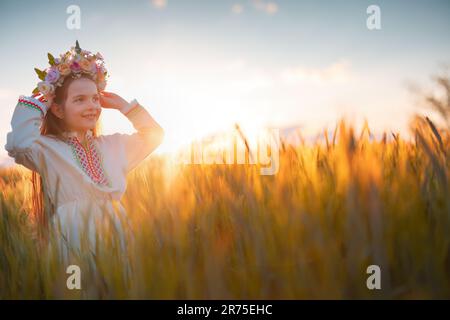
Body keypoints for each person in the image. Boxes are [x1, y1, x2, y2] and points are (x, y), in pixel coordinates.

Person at [5, 41, 164, 262]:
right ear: (58, 109)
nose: (92, 106)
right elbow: (18, 144)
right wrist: (41, 102)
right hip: (73, 232)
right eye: (79, 100)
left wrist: (124, 106)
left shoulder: (113, 145)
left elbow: (153, 135)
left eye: (95, 98)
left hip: (115, 229)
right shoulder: (46, 148)